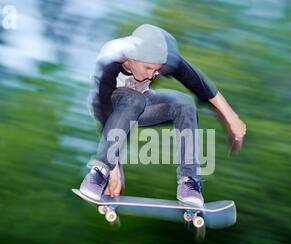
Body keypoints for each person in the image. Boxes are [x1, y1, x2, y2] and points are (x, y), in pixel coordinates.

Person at [79, 24, 246, 207]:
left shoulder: (162, 57)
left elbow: (202, 87)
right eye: (148, 68)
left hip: (142, 105)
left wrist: (231, 117)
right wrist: (114, 168)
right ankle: (98, 173)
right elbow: (102, 111)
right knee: (134, 100)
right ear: (131, 59)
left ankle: (189, 182)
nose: (151, 76)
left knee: (184, 103)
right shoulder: (111, 61)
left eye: (157, 70)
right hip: (111, 108)